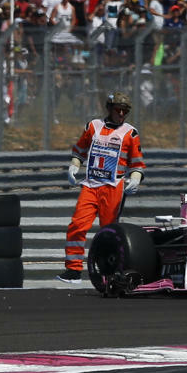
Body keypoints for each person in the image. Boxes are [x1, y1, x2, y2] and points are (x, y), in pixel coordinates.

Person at [57, 92, 145, 283]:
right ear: (109, 109)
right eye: (117, 110)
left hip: (113, 187)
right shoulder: (93, 126)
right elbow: (80, 149)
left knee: (109, 232)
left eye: (125, 111)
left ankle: (110, 272)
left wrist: (135, 179)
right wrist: (74, 165)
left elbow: (137, 164)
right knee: (77, 225)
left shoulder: (131, 133)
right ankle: (73, 270)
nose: (121, 114)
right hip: (90, 186)